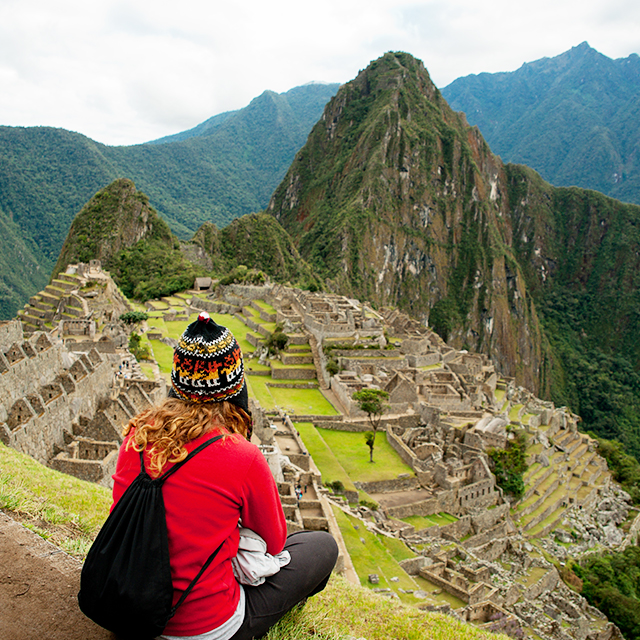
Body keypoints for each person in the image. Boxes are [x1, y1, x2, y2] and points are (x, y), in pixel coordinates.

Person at [111, 312, 338, 640]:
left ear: (177, 383)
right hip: (204, 628)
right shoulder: (241, 456)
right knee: (320, 545)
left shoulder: (138, 435)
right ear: (234, 389)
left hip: (128, 609)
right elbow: (273, 544)